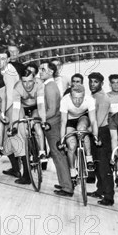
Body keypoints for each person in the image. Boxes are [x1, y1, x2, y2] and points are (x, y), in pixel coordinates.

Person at [39, 61, 73, 195]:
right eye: (39, 69)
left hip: (52, 124)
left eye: (43, 69)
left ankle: (67, 187)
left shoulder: (50, 86)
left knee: (58, 155)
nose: (40, 71)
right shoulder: (49, 85)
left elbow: (52, 110)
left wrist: (40, 120)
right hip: (52, 123)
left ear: (51, 72)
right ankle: (64, 183)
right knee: (56, 154)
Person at [58, 84, 99, 193]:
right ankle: (72, 170)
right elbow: (63, 122)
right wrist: (62, 140)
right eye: (75, 98)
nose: (78, 101)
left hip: (82, 117)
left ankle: (89, 159)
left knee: (82, 129)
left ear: (84, 95)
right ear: (70, 96)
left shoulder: (90, 100)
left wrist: (95, 137)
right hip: (69, 120)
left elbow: (94, 121)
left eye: (80, 98)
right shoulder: (65, 100)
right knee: (71, 145)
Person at [9, 68, 47, 185]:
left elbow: (41, 106)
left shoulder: (40, 84)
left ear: (34, 79)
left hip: (35, 107)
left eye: (30, 81)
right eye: (24, 81)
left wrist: (43, 121)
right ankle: (25, 147)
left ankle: (41, 152)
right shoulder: (17, 87)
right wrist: (14, 125)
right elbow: (15, 109)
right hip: (22, 108)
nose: (27, 85)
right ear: (21, 80)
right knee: (20, 128)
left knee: (37, 126)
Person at [0, 48, 22, 177]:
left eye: (3, 59)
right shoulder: (3, 70)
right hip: (9, 105)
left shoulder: (10, 73)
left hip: (12, 107)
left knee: (13, 139)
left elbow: (10, 96)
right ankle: (15, 168)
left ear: (9, 59)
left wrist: (2, 113)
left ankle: (21, 171)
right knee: (8, 140)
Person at [88, 72, 113, 204]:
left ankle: (109, 197)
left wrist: (85, 130)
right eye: (91, 81)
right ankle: (100, 190)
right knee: (97, 165)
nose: (92, 84)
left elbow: (98, 120)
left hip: (102, 132)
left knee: (104, 166)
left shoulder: (103, 98)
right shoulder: (93, 96)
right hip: (95, 132)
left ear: (102, 84)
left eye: (95, 82)